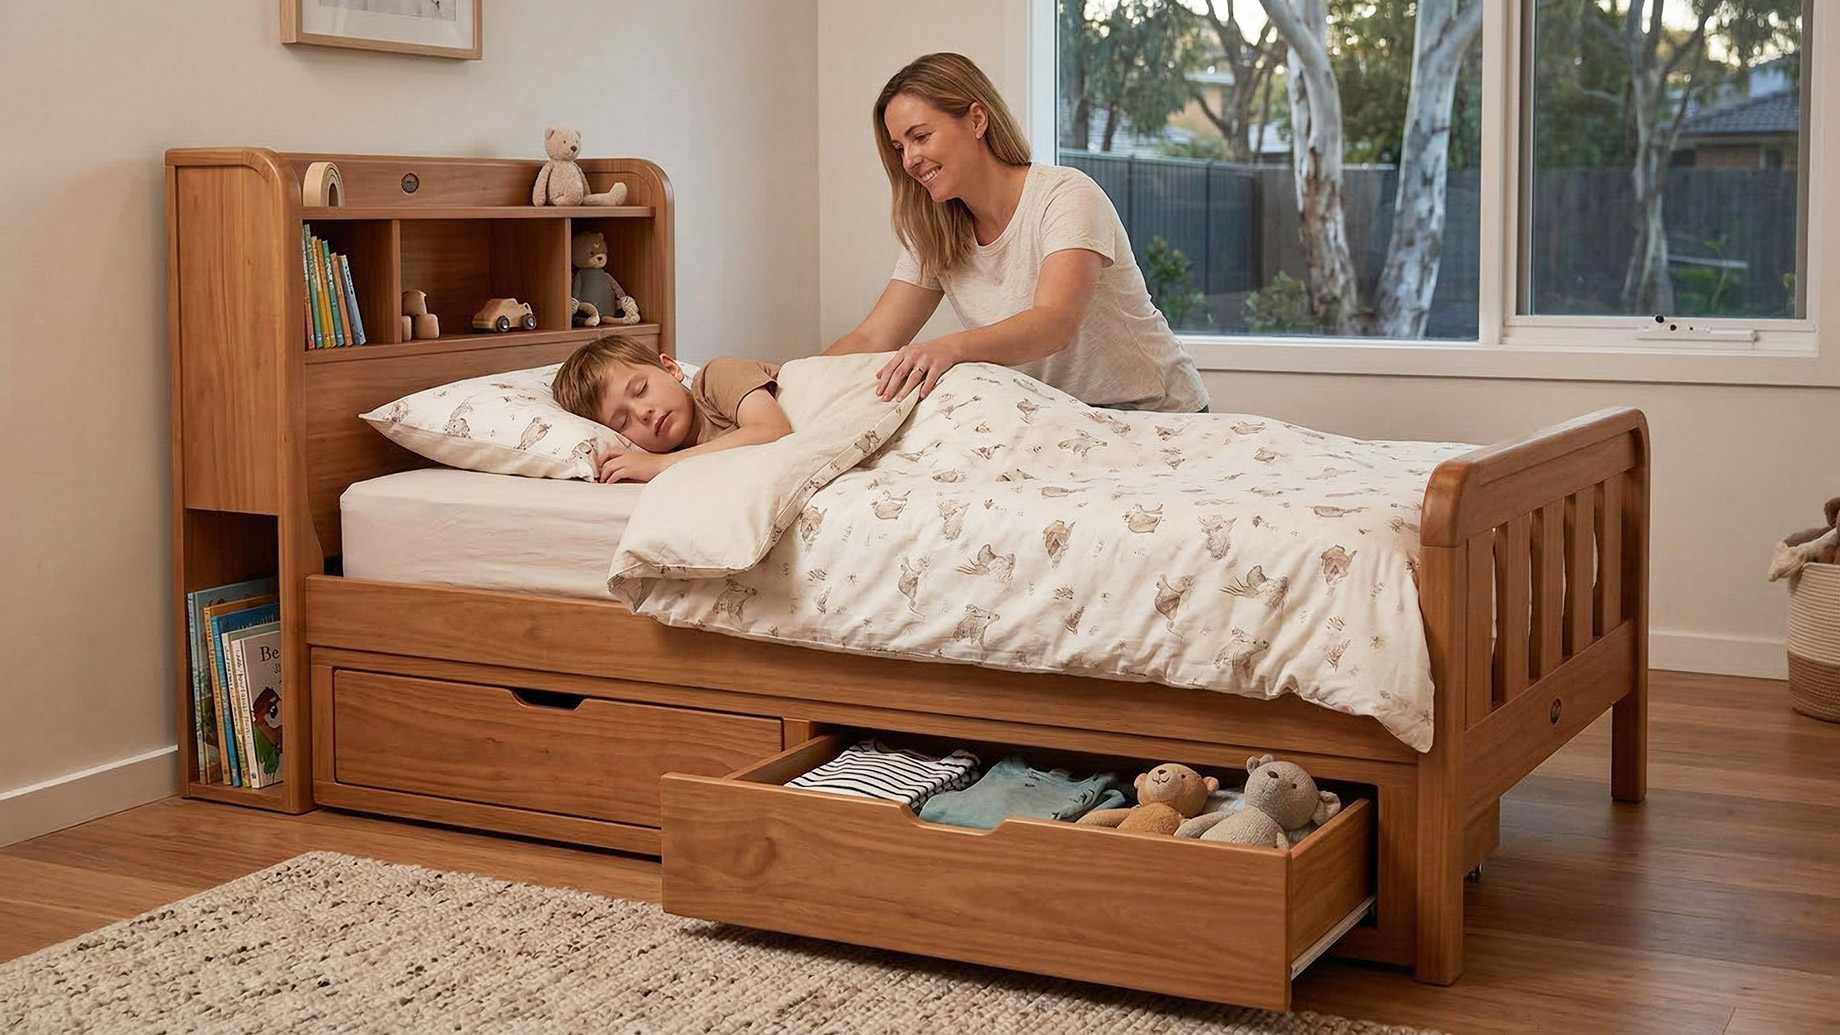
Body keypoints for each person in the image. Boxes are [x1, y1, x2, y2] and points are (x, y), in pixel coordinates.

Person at [825, 51, 1208, 414]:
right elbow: (872, 339)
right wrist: (794, 382)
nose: (909, 160)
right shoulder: (935, 231)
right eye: (899, 147)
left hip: (1154, 411)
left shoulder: (1066, 195)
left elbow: (1053, 325)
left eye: (921, 137)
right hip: (1061, 418)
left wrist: (947, 349)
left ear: (977, 120)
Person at [552, 336, 791, 483]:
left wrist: (662, 463)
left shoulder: (716, 376)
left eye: (641, 389)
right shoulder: (690, 457)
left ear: (670, 368)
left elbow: (772, 430)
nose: (642, 413)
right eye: (622, 422)